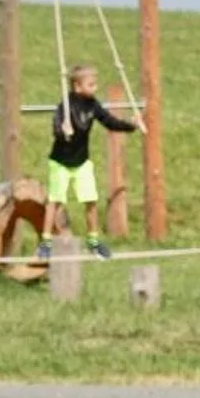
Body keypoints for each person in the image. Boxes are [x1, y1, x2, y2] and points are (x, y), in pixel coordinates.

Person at [39, 65, 134, 261]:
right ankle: (46, 242)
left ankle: (93, 241)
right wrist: (62, 131)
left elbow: (109, 121)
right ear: (77, 86)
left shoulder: (93, 104)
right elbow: (56, 127)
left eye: (95, 83)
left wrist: (130, 126)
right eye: (91, 84)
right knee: (55, 201)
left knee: (90, 200)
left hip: (82, 161)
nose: (95, 87)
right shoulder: (65, 105)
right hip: (60, 162)